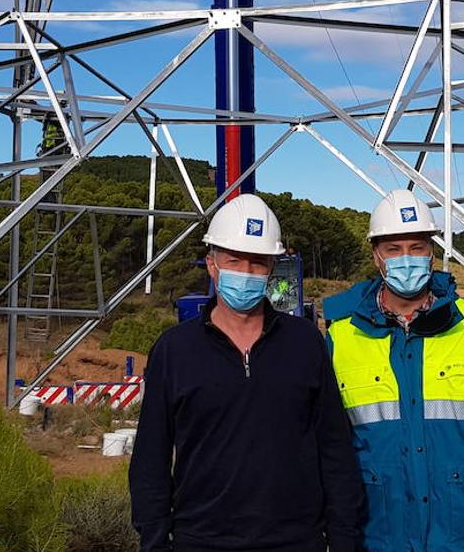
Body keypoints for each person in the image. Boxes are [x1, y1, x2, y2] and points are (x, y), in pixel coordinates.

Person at [129, 194, 363, 552]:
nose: (247, 273)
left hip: (297, 541)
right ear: (212, 264)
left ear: (272, 269)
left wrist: (344, 539)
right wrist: (155, 541)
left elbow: (335, 448)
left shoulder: (305, 343)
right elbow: (150, 459)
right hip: (201, 541)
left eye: (257, 263)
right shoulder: (174, 350)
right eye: (234, 261)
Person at [323, 189, 464, 552]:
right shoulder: (341, 337)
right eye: (393, 249)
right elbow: (328, 447)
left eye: (417, 248)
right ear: (376, 255)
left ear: (432, 253)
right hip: (377, 534)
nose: (406, 259)